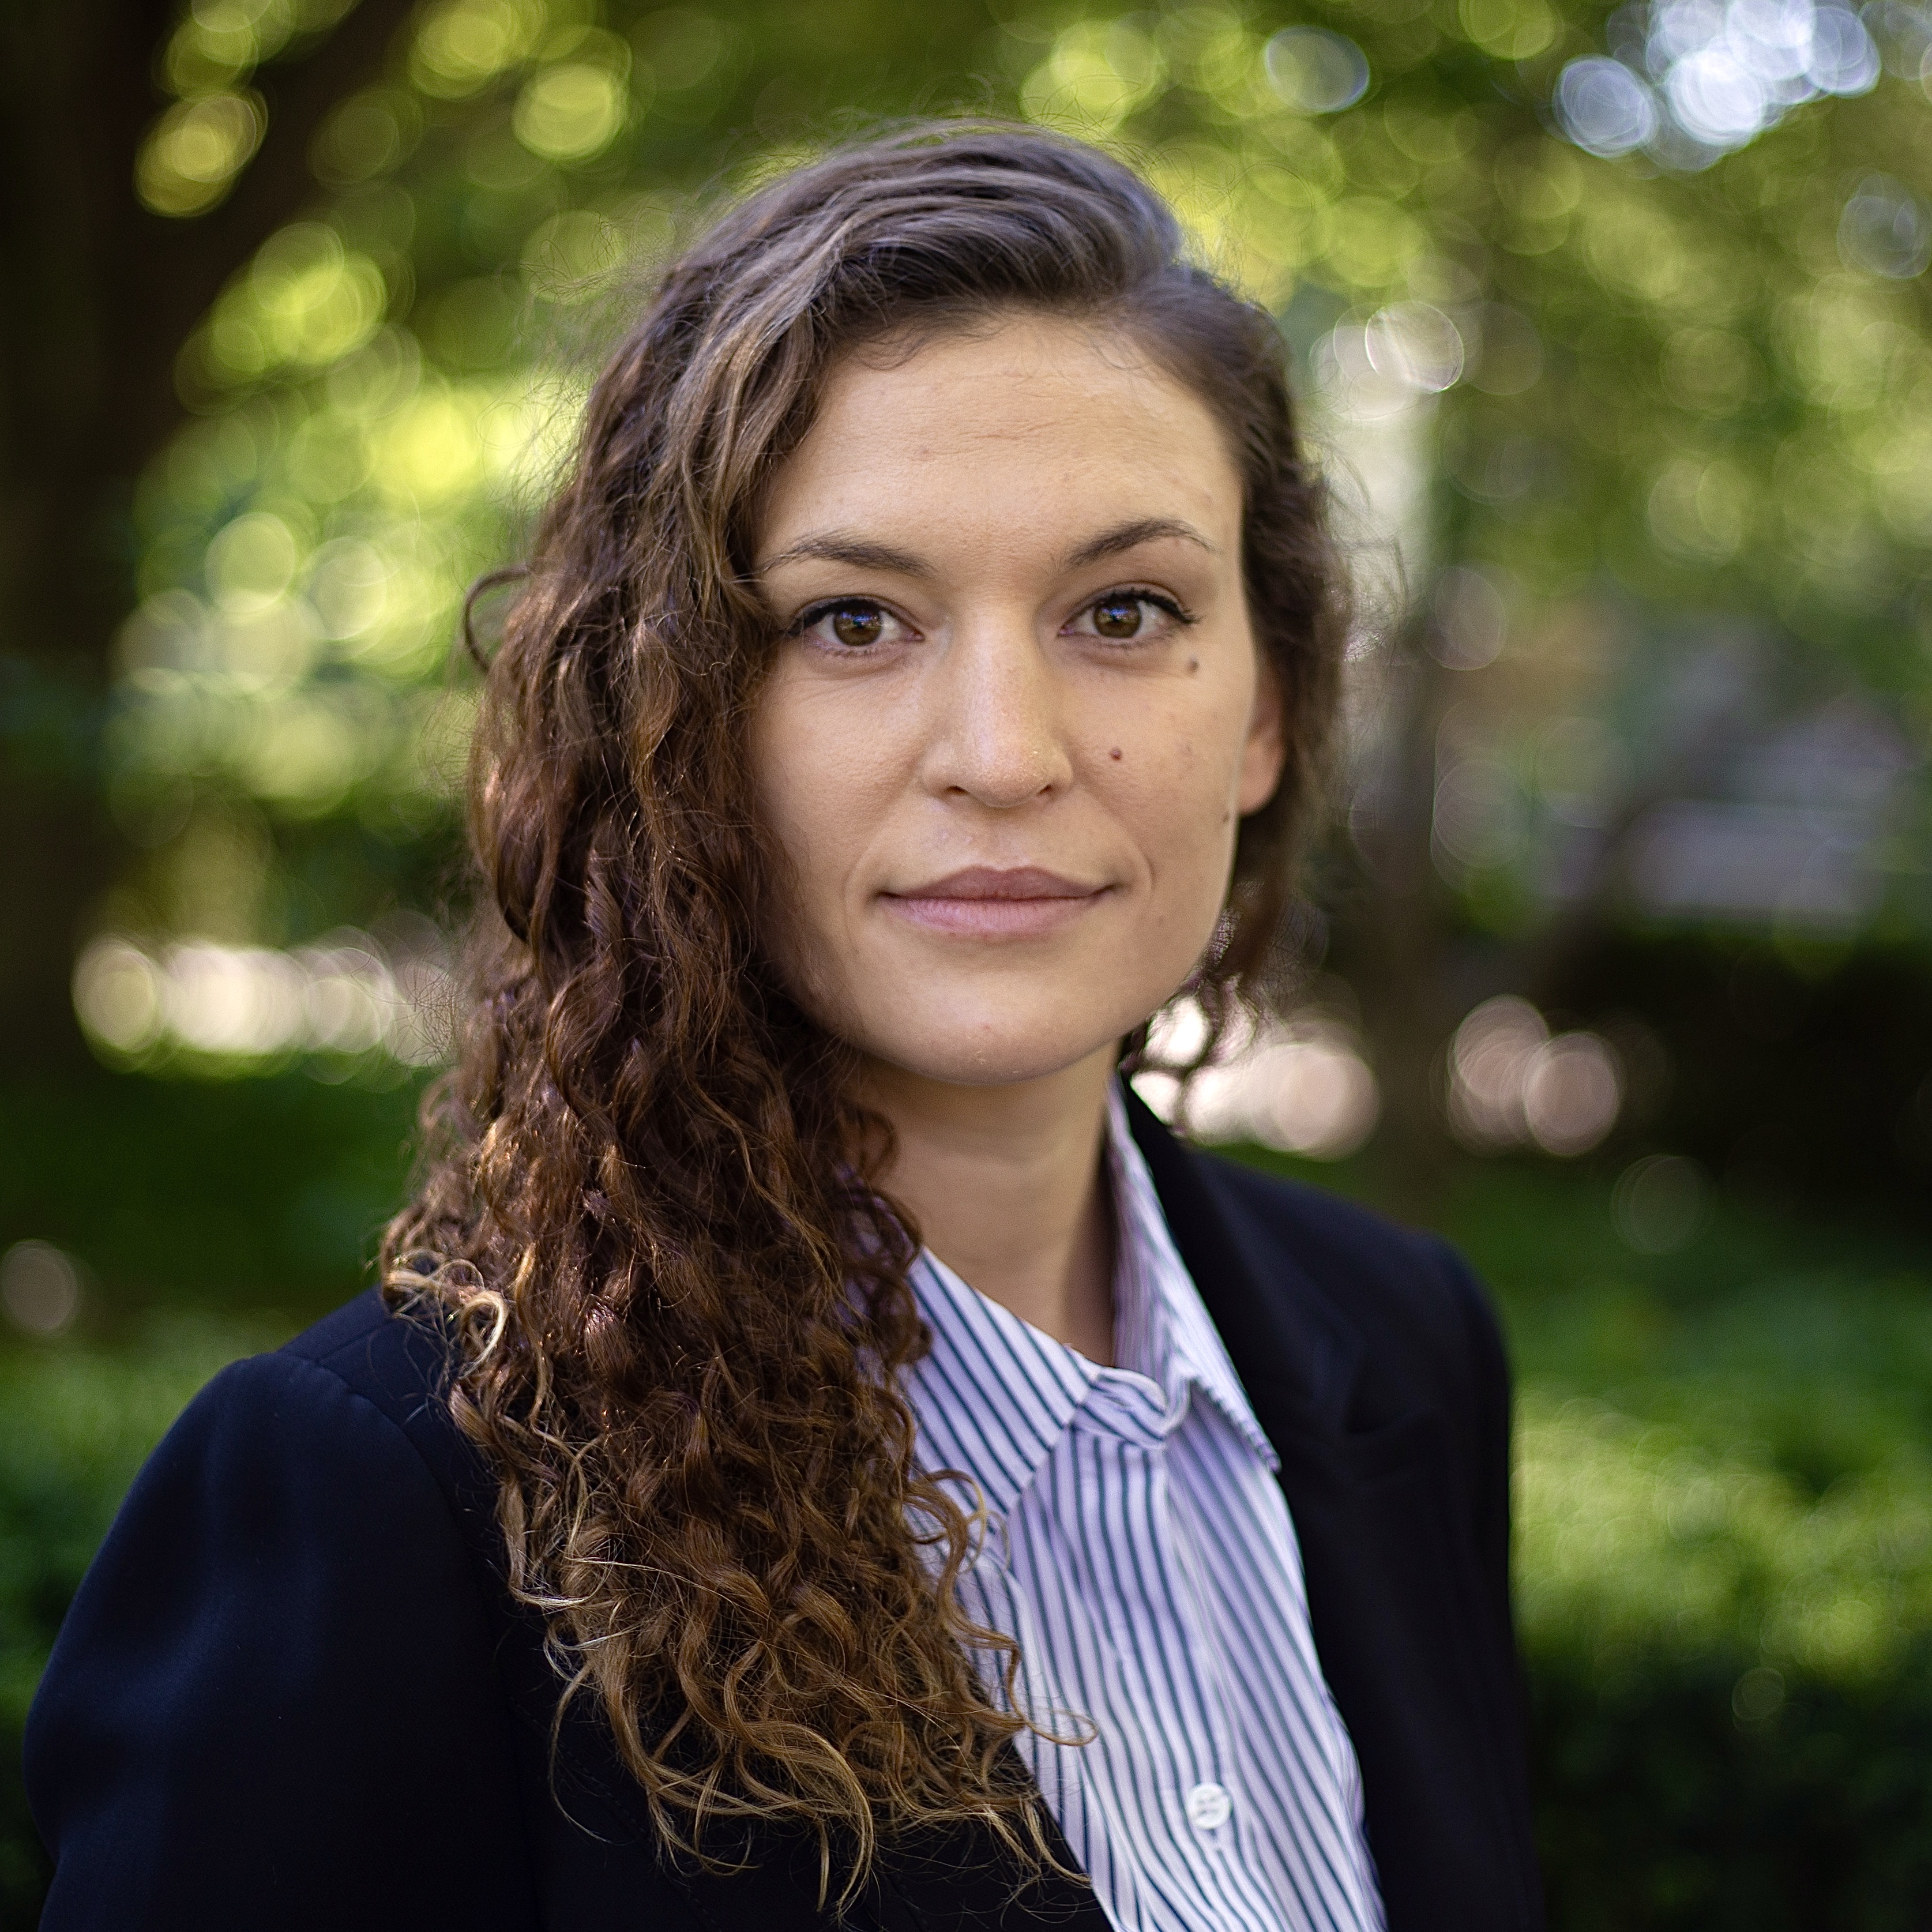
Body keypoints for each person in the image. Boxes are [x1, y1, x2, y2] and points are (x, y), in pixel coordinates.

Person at [25, 124, 1542, 1931]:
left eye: (1124, 612)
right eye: (852, 622)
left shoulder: (1409, 1356)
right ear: (676, 719)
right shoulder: (381, 1503)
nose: (1004, 750)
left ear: (1270, 707)